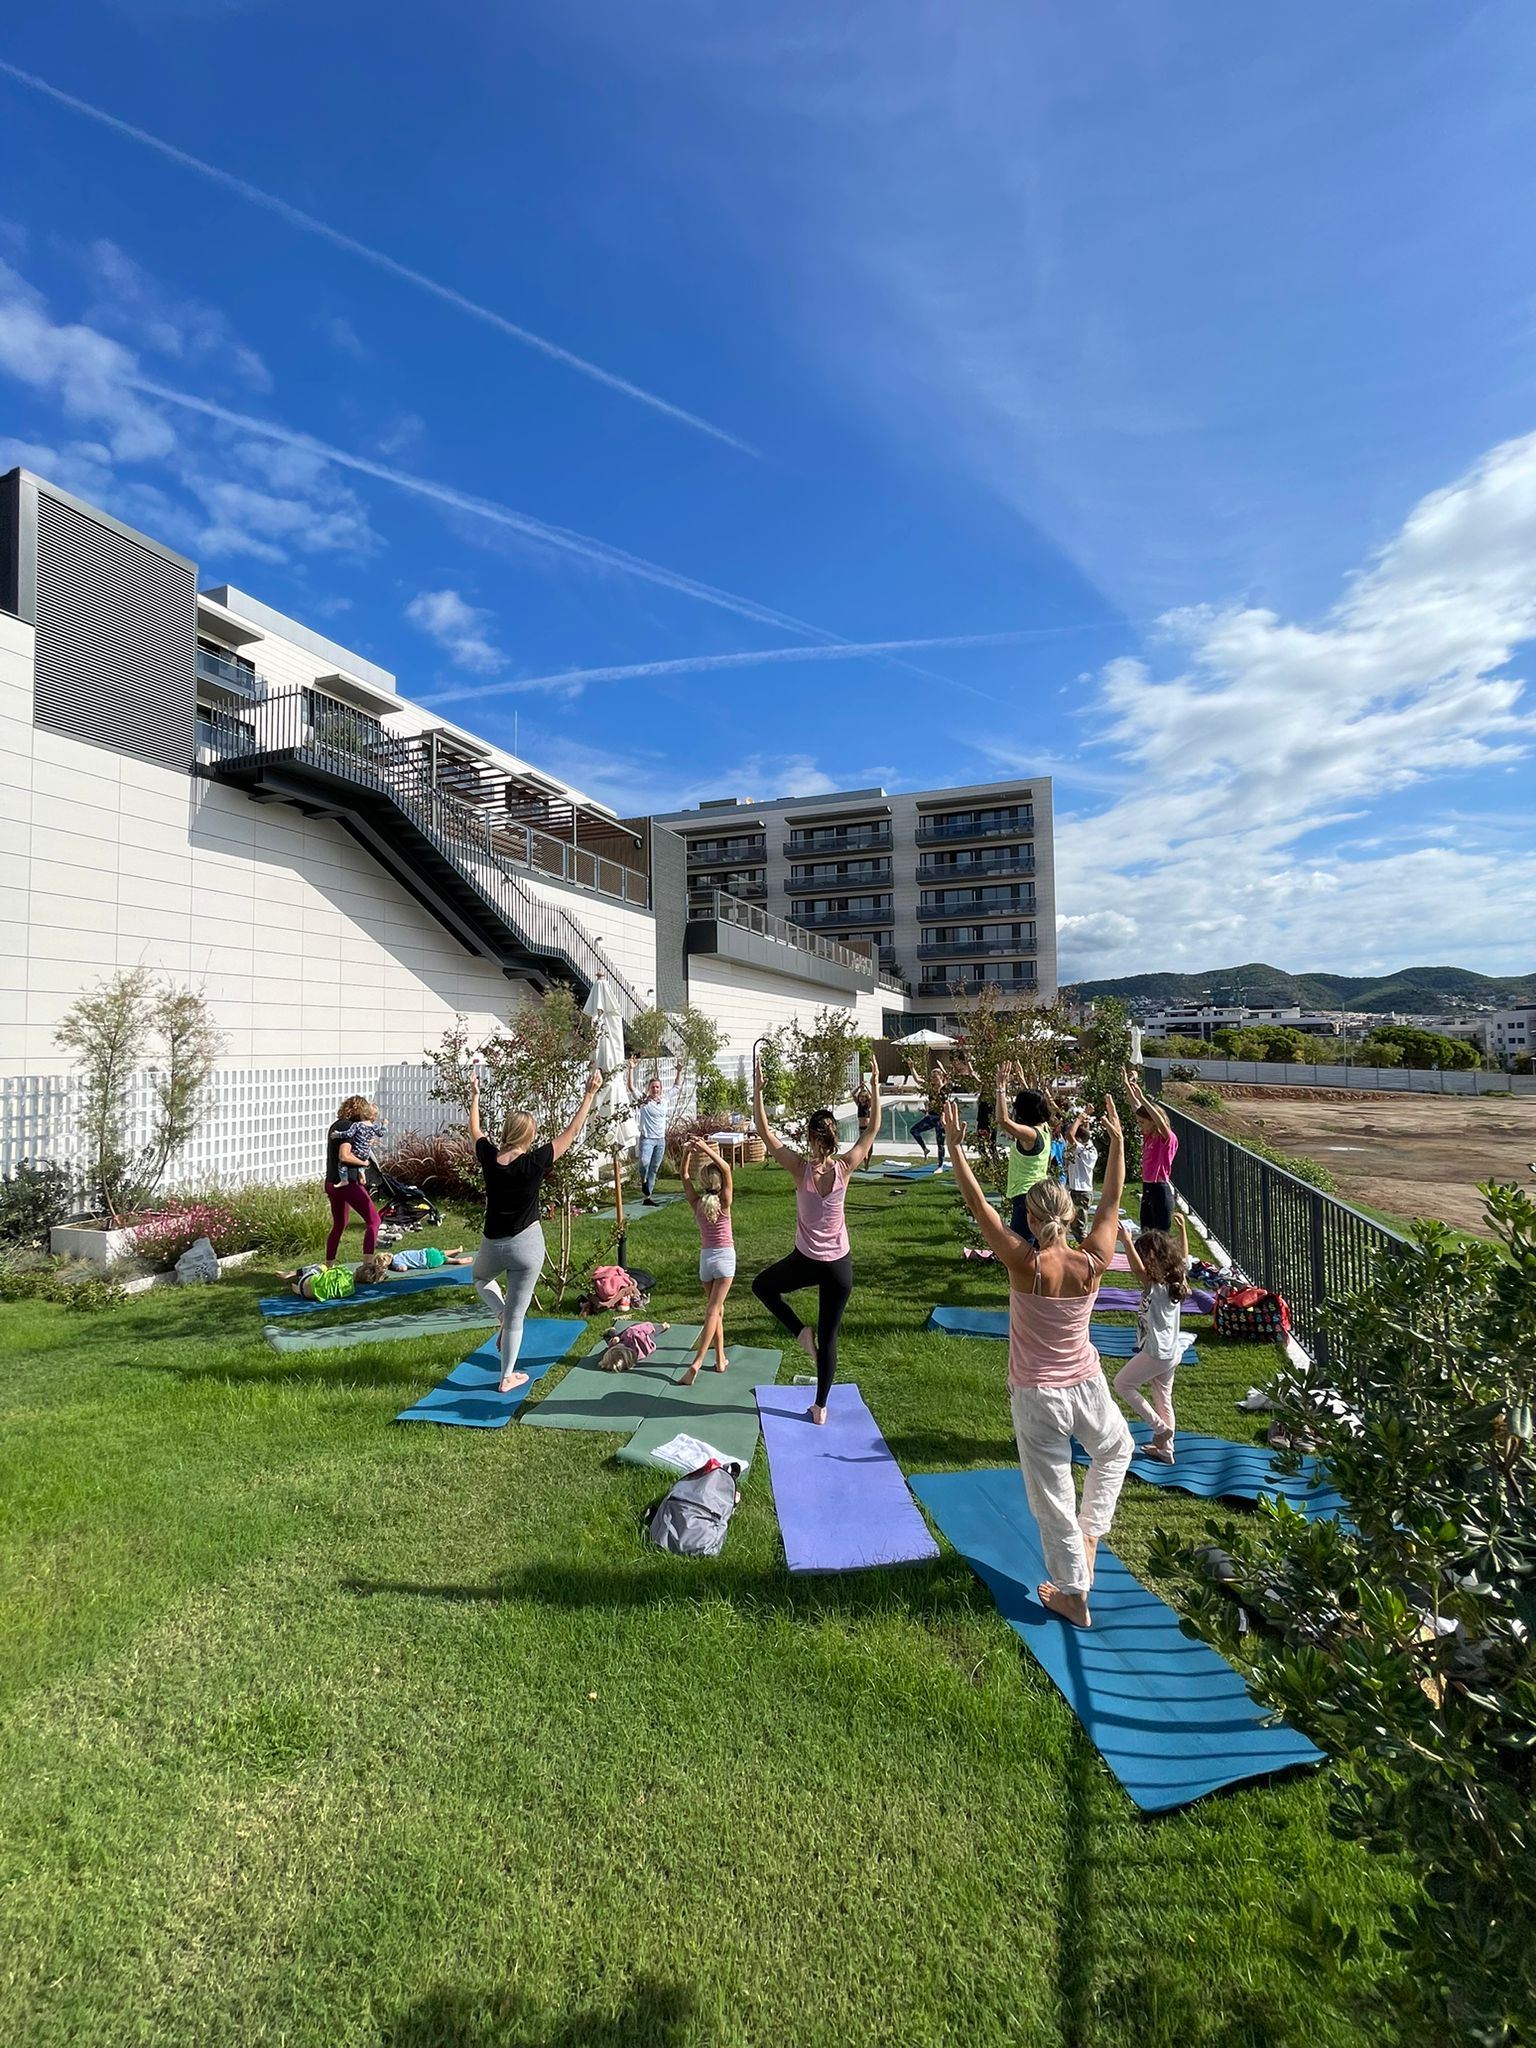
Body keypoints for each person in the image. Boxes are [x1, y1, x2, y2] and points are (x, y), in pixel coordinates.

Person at [942, 1090, 1132, 1628]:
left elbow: (979, 1207)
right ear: (1072, 1215)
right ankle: (1090, 1536)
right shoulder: (1093, 1259)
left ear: (1030, 1214)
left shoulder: (1025, 1264)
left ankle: (1073, 1591)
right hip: (1088, 1384)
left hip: (1039, 1395)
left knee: (1053, 1498)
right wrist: (1117, 1143)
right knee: (1115, 1451)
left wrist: (957, 1148)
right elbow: (1113, 1200)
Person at [750, 1055, 881, 1424]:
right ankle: (821, 1407)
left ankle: (799, 1333)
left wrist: (759, 1091)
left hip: (806, 1261)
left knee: (763, 1287)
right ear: (834, 1136)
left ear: (810, 1137)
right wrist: (873, 1089)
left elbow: (764, 1131)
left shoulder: (799, 1169)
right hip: (839, 1267)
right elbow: (871, 1132)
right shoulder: (846, 1166)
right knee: (831, 1336)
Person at [469, 1065, 603, 1393]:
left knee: (480, 1279)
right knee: (518, 1315)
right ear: (529, 1137)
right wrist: (588, 1094)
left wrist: (474, 1097)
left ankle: (500, 1315)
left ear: (506, 1132)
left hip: (493, 1243)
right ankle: (506, 1377)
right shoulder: (535, 1161)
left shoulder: (488, 1156)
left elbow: (474, 1130)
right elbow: (571, 1134)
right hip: (527, 1246)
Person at [1111, 1213, 1193, 1464]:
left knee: (1122, 1384)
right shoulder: (1177, 1278)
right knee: (1163, 1398)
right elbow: (1184, 1257)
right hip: (1171, 1352)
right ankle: (1166, 1450)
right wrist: (1182, 1232)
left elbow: (1138, 1270)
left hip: (1157, 1352)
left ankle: (1160, 1429)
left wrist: (1125, 1242)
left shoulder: (1155, 1286)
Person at [680, 1138, 736, 1383]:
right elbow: (725, 1168)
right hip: (724, 1260)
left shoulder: (697, 1204)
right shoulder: (724, 1202)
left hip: (706, 1261)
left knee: (718, 1310)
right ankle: (698, 1361)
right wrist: (705, 1148)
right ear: (720, 1184)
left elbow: (683, 1175)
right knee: (713, 1310)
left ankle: (720, 1358)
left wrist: (687, 1153)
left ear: (703, 1183)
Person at [994, 1064, 1055, 1242]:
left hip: (1025, 1196)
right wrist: (1021, 1079)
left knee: (1021, 1246)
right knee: (1037, 1244)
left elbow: (1003, 1120)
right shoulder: (1044, 1128)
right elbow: (1036, 1100)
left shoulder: (1030, 1135)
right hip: (1038, 1193)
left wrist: (1001, 1088)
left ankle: (1026, 1271)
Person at [324, 1094, 382, 1263]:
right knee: (374, 1220)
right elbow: (345, 1156)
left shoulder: (337, 1126)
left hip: (331, 1182)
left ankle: (329, 1265)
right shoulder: (349, 1126)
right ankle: (368, 1264)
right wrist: (363, 1163)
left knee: (340, 1224)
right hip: (346, 1185)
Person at [1123, 1068, 1179, 1232]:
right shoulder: (1148, 1136)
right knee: (1146, 1233)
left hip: (1160, 1190)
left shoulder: (1166, 1138)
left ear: (1152, 1122)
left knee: (1159, 1237)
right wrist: (1127, 1086)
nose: (1140, 1126)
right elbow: (1136, 1108)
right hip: (1147, 1188)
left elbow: (1159, 1120)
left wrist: (1142, 1098)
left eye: (1142, 1123)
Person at [628, 1058, 680, 1205]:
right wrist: (631, 1068)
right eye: (653, 1087)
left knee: (654, 1168)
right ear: (648, 1088)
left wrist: (679, 1071)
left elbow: (676, 1087)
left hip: (660, 1140)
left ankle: (647, 1197)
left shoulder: (664, 1100)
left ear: (660, 1089)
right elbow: (631, 1087)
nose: (655, 1089)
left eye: (657, 1087)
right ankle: (643, 1181)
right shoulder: (644, 1100)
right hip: (648, 1139)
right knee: (644, 1163)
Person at [354, 1245, 472, 1284]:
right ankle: (456, 1250)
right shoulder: (398, 1255)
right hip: (428, 1251)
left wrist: (396, 1270)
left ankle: (457, 1260)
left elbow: (403, 1268)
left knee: (444, 1259)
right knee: (440, 1253)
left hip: (428, 1261)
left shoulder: (396, 1263)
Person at [909, 1060, 951, 1167]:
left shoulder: (945, 1089)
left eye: (935, 1078)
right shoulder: (931, 1088)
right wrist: (912, 1067)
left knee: (940, 1143)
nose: (933, 1080)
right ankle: (925, 1149)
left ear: (941, 1077)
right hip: (931, 1117)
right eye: (932, 1078)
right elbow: (917, 1080)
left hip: (941, 1119)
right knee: (914, 1130)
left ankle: (940, 1166)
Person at [1065, 1111, 1099, 1236]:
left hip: (1080, 1192)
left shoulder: (1081, 1149)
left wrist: (1079, 1118)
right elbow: (1084, 1134)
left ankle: (1086, 1250)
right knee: (1075, 1224)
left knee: (1079, 1228)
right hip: (1081, 1190)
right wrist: (1085, 1121)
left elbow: (1070, 1135)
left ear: (1078, 1139)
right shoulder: (1089, 1146)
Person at [284, 1261, 356, 1302]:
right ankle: (299, 1290)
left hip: (305, 1281)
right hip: (307, 1295)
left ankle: (293, 1273)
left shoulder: (344, 1271)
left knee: (321, 1267)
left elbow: (329, 1268)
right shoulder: (350, 1290)